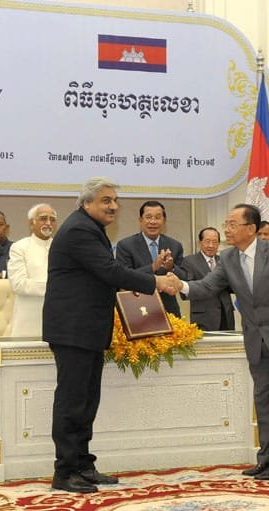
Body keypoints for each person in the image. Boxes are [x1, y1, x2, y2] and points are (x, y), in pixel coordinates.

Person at [42, 177, 178, 493]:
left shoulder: (90, 229)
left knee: (87, 400)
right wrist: (156, 282)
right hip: (73, 329)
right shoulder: (79, 229)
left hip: (87, 329)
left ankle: (83, 466)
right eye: (105, 200)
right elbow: (111, 273)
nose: (113, 205)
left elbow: (107, 273)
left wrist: (149, 276)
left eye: (115, 200)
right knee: (73, 401)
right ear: (86, 203)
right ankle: (65, 472)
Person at [178, 204, 269, 481]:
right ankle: (266, 459)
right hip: (255, 340)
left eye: (232, 224)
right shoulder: (228, 259)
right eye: (226, 224)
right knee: (263, 400)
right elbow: (206, 287)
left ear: (250, 229)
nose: (226, 229)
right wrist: (177, 285)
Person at [115, 201, 187, 317]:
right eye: (148, 217)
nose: (153, 221)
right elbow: (123, 279)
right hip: (137, 309)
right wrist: (153, 267)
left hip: (168, 310)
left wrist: (171, 268)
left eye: (158, 217)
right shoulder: (125, 245)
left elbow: (184, 278)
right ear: (140, 220)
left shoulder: (175, 245)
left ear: (164, 221)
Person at [8, 204, 57, 337]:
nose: (48, 223)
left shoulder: (62, 246)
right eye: (43, 218)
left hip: (58, 321)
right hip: (28, 322)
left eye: (52, 219)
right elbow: (19, 284)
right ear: (31, 223)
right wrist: (56, 288)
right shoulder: (19, 247)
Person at [180, 227, 234, 331]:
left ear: (219, 244)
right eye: (207, 241)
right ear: (199, 243)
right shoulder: (189, 261)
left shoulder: (224, 261)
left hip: (226, 315)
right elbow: (188, 289)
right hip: (203, 317)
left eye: (215, 242)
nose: (211, 245)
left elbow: (232, 287)